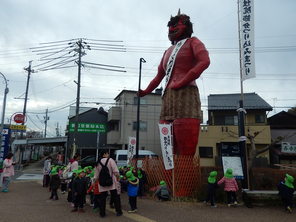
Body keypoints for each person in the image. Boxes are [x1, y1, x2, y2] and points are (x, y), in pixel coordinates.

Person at [139, 9, 210, 156]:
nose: (171, 28)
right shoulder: (167, 51)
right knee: (167, 143)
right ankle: (168, 174)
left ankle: (184, 174)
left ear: (187, 26)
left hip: (187, 94)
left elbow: (204, 61)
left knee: (185, 147)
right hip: (168, 97)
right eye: (170, 26)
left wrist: (184, 80)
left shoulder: (193, 42)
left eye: (176, 24)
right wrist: (146, 91)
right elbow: (159, 76)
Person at [94, 149, 123, 217]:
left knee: (102, 198)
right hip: (111, 182)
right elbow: (115, 171)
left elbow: (96, 174)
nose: (108, 155)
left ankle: (102, 213)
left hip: (102, 182)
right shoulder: (110, 160)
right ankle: (118, 211)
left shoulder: (98, 162)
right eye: (107, 153)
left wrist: (94, 181)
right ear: (104, 154)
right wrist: (118, 177)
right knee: (115, 197)